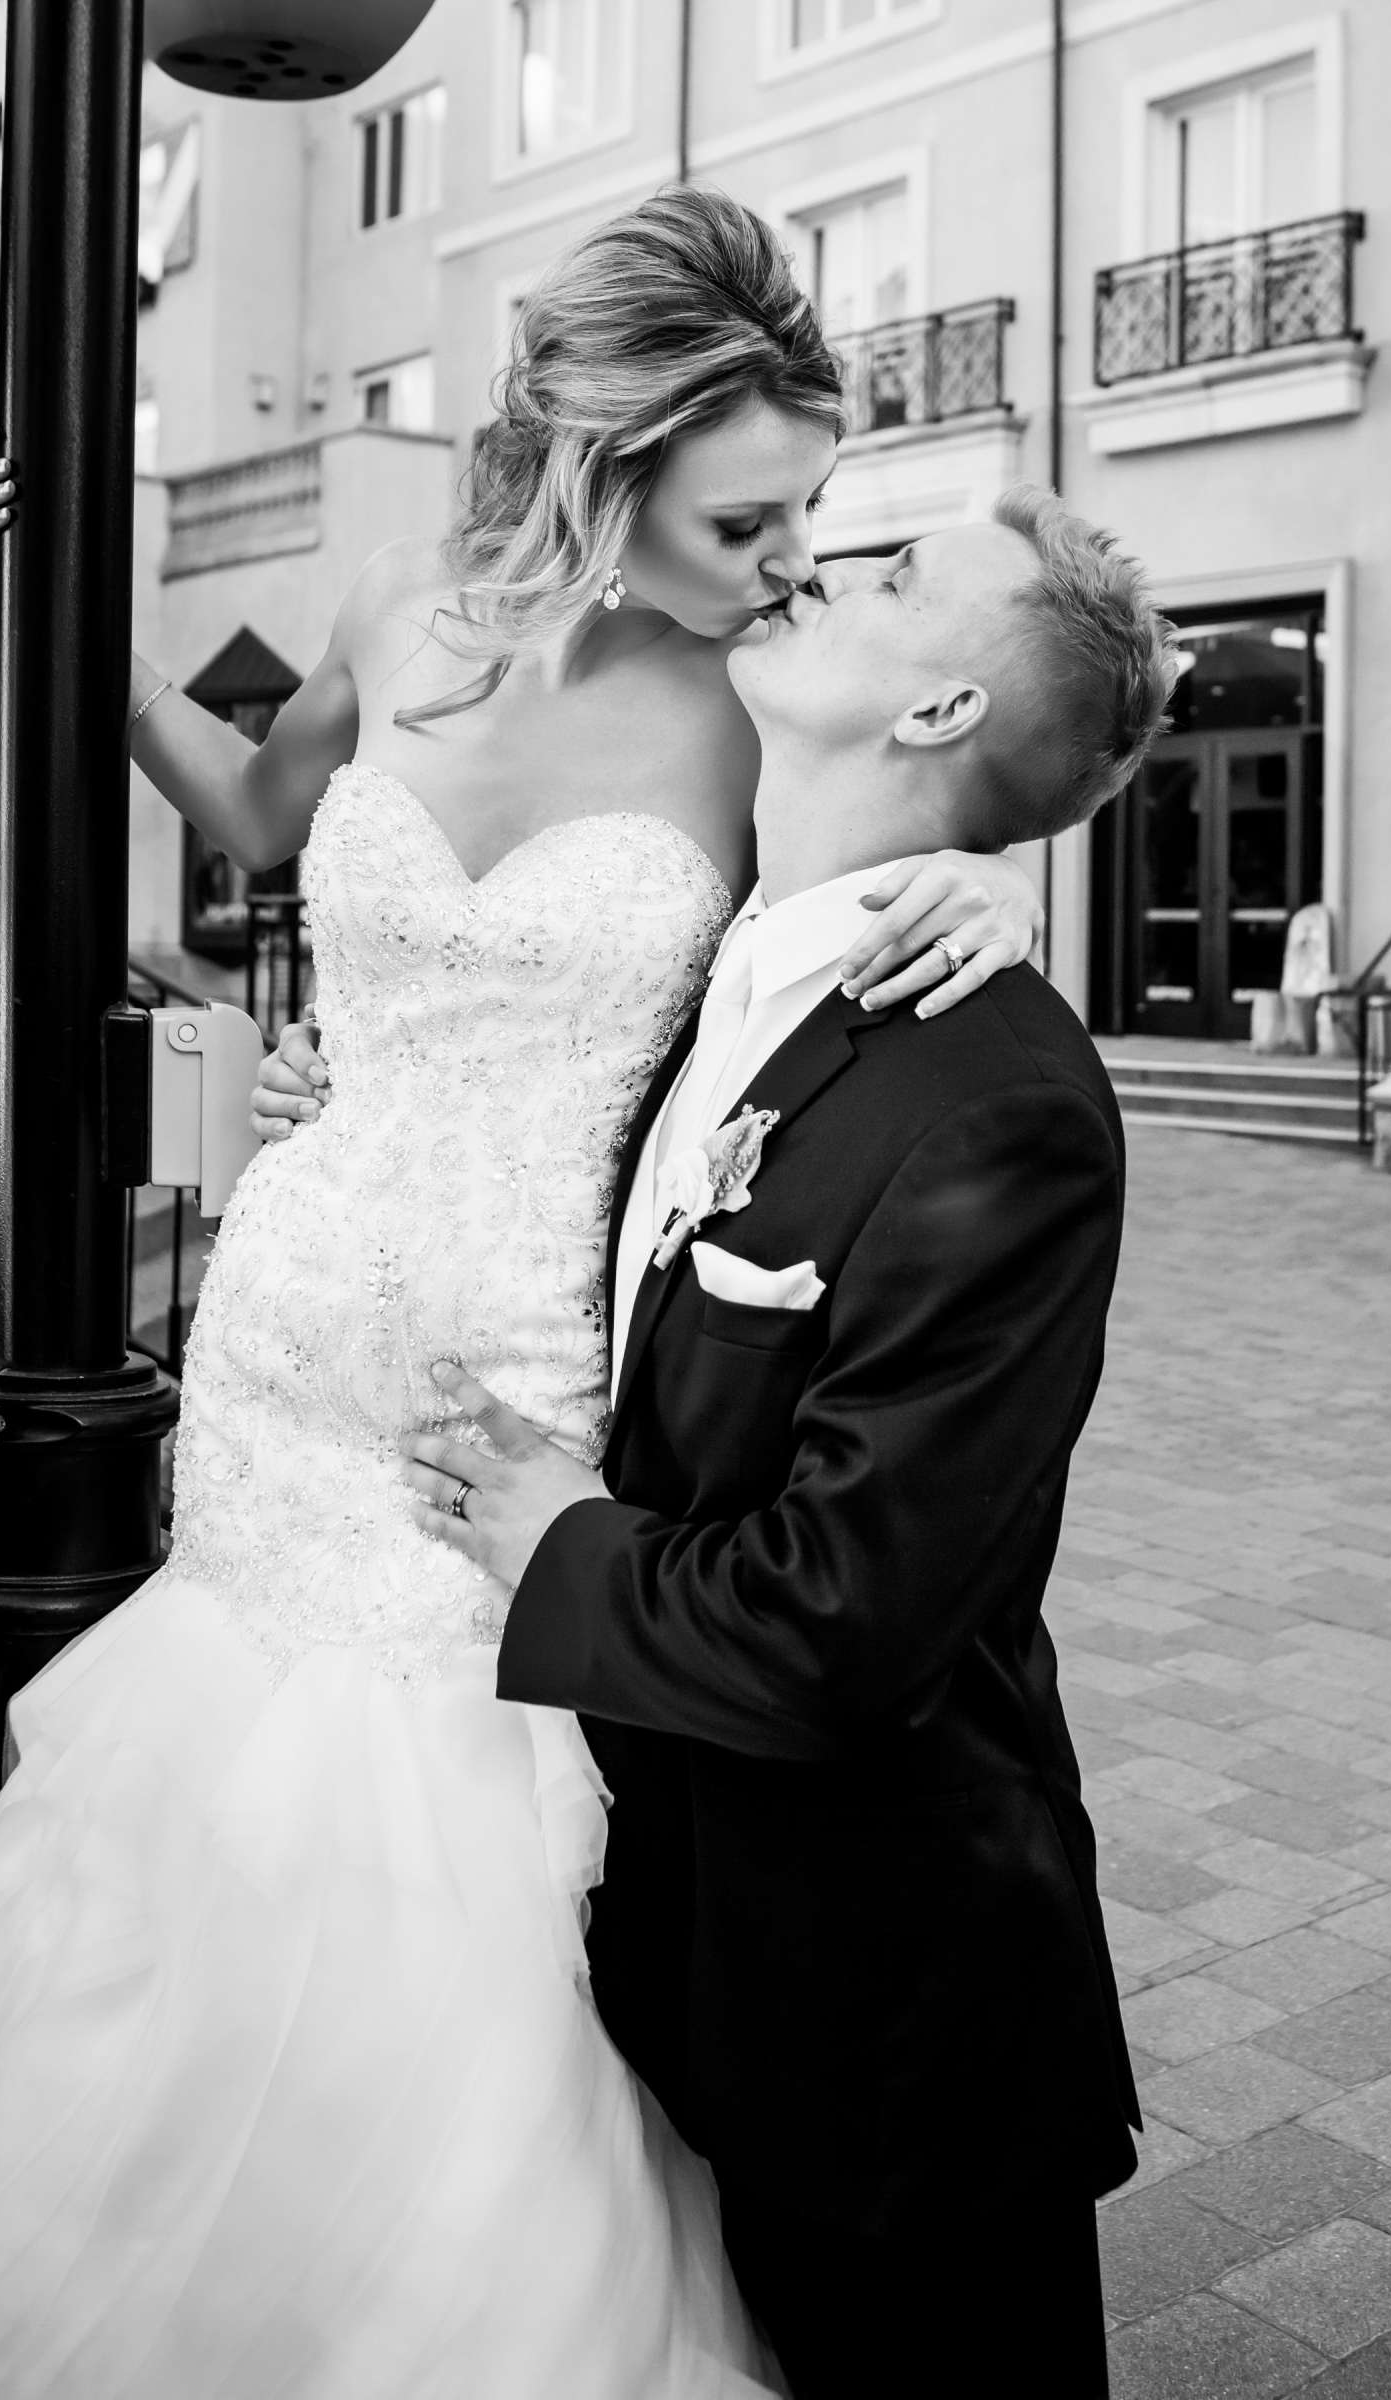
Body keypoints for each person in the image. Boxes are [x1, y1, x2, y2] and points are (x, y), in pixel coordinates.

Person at [0, 190, 1040, 2396]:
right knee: (213, 1860)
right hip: (283, 1344)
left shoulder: (760, 717)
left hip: (505, 1399)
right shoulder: (398, 605)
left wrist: (989, 883)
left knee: (461, 1912)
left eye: (809, 515)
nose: (792, 560)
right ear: (604, 463)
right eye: (747, 518)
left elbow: (913, 829)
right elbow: (245, 807)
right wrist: (75, 625)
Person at [397, 489, 1176, 2400]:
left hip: (886, 2033)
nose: (822, 563)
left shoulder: (1000, 1108)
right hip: (678, 1979)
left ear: (935, 715)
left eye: (896, 577)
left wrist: (551, 1534)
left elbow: (848, 1620)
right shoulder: (705, 988)